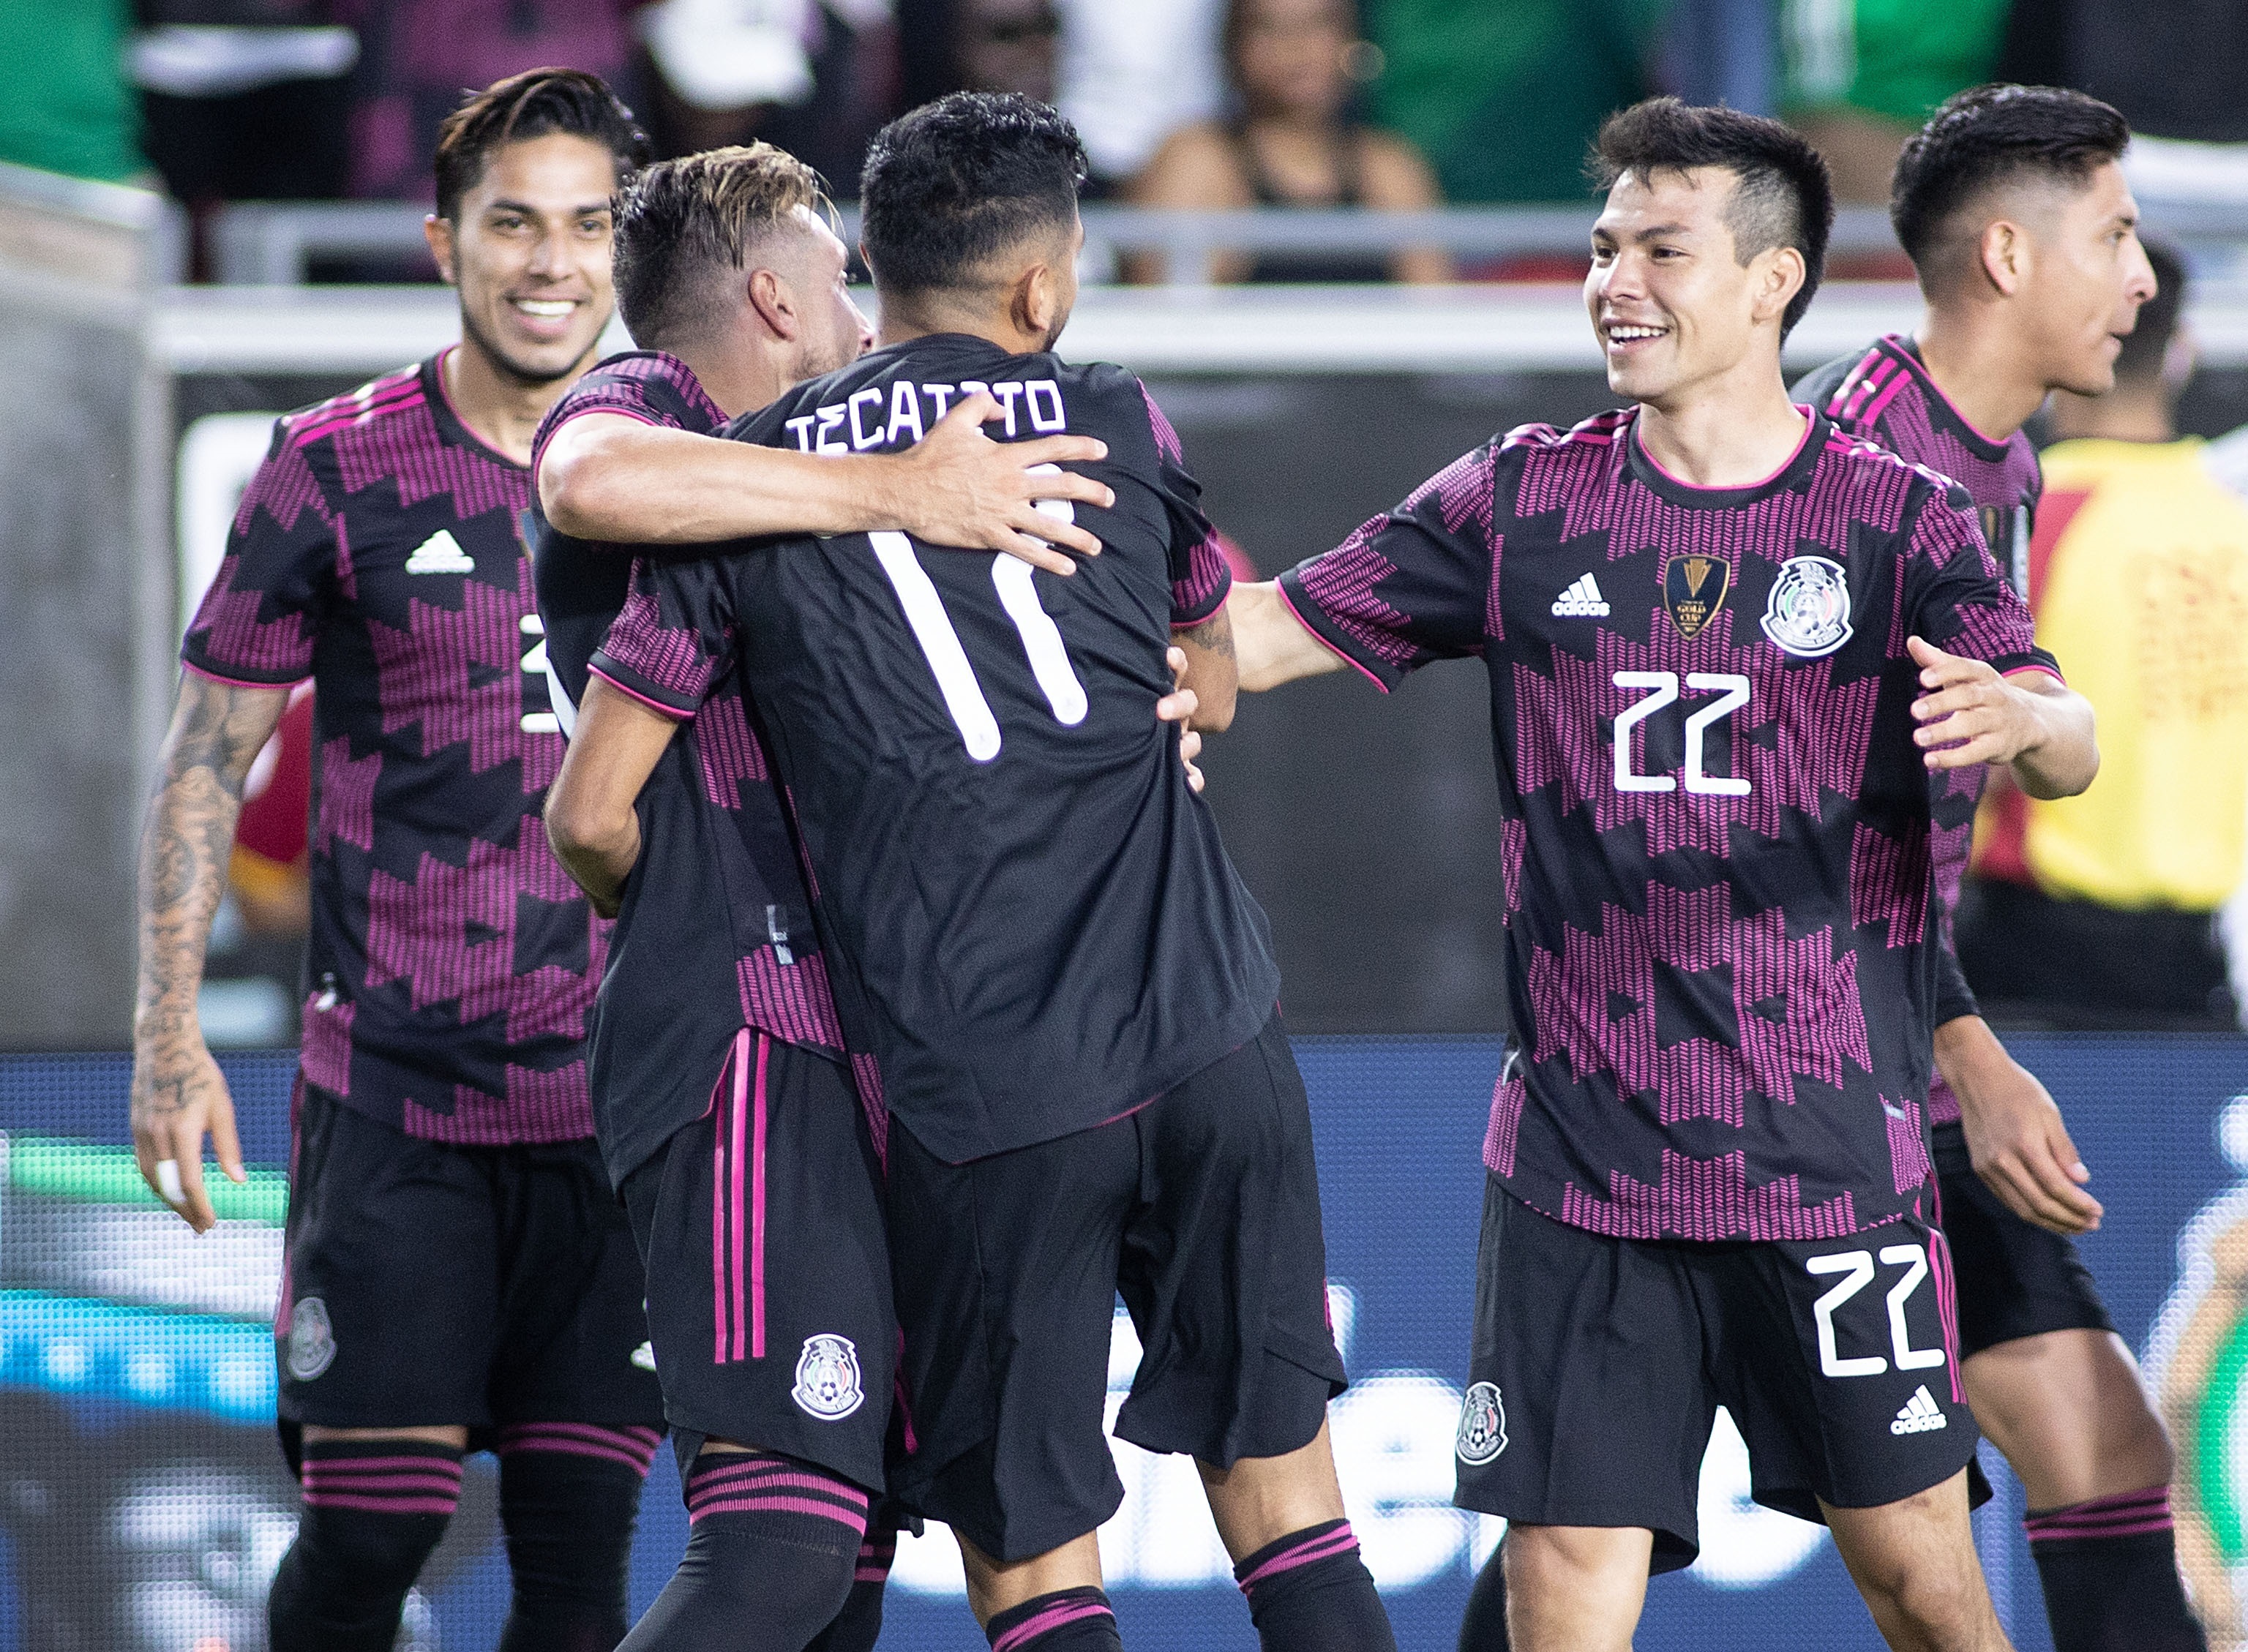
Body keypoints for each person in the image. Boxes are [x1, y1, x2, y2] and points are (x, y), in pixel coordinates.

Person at [1221, 97, 2099, 1651]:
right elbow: (1258, 636)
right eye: (1604, 245)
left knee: (1920, 1579)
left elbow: (2068, 730)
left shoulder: (1897, 520)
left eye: (1662, 249)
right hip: (1581, 1163)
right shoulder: (1520, 499)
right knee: (1566, 1585)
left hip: (1828, 1156)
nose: (1615, 280)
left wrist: (2029, 712)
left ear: (1772, 284)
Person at [547, 91, 1396, 1652]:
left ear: (872, 261)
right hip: (1209, 1030)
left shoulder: (737, 488)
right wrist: (1151, 709)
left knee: (1031, 1561)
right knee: (1291, 1506)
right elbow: (1207, 661)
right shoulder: (1122, 418)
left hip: (989, 1091)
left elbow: (594, 800)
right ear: (1042, 289)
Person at [528, 139, 1122, 1651]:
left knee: (847, 1565)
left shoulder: (829, 466)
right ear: (777, 297)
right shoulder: (652, 407)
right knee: (779, 1548)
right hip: (735, 1036)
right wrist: (892, 487)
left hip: (890, 1043)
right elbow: (582, 481)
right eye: (842, 278)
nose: (867, 312)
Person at [130, 69, 667, 1652]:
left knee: (577, 1575)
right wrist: (166, 1040)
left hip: (625, 1113)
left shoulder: (698, 474)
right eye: (513, 222)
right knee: (376, 1532)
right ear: (444, 242)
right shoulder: (332, 462)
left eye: (587, 225)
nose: (551, 261)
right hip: (399, 1108)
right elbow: (204, 761)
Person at [1794, 89, 2205, 1652]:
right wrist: (1972, 1048)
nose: (2142, 279)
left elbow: (2043, 741)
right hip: (1778, 1078)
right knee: (1602, 1516)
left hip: (1904, 1048)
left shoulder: (2002, 463)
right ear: (2012, 256)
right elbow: (1789, 835)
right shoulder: (1850, 466)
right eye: (2114, 239)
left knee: (2100, 1440)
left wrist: (1955, 1047)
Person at [1961, 241, 2248, 1032]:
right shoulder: (2232, 523)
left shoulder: (2026, 519)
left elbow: (1969, 750)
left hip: (2034, 962)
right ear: (2182, 354)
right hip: (2201, 966)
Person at [1125, 0, 1448, 284]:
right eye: (1269, 26)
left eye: (1319, 23)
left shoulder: (1389, 168)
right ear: (1234, 43)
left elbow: (1438, 319)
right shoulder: (1197, 161)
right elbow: (1163, 323)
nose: (1297, 45)